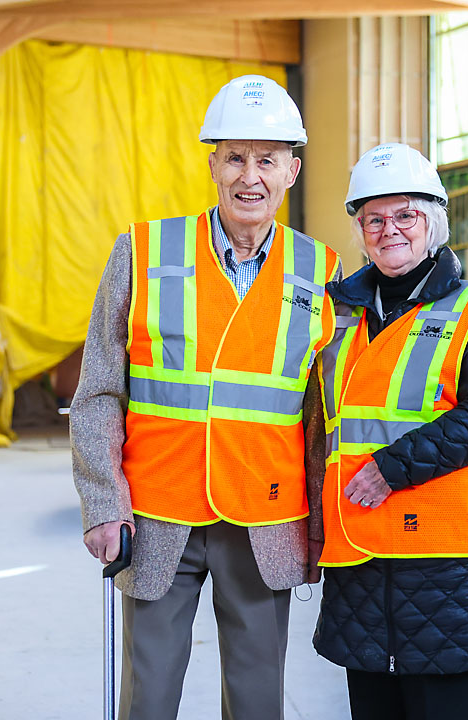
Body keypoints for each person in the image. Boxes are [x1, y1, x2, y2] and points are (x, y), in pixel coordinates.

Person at [71, 74, 340, 720]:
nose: (251, 177)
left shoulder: (322, 272)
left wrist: (322, 528)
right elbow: (99, 389)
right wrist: (103, 503)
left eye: (267, 160)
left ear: (292, 171)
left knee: (257, 701)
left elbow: (323, 419)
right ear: (213, 164)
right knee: (149, 699)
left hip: (266, 518)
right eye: (236, 157)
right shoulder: (142, 252)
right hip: (156, 515)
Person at [312, 142, 468, 720]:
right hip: (358, 549)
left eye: (405, 215)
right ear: (360, 231)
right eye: (373, 219)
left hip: (447, 557)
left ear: (433, 221)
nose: (390, 231)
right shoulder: (338, 315)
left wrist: (392, 467)